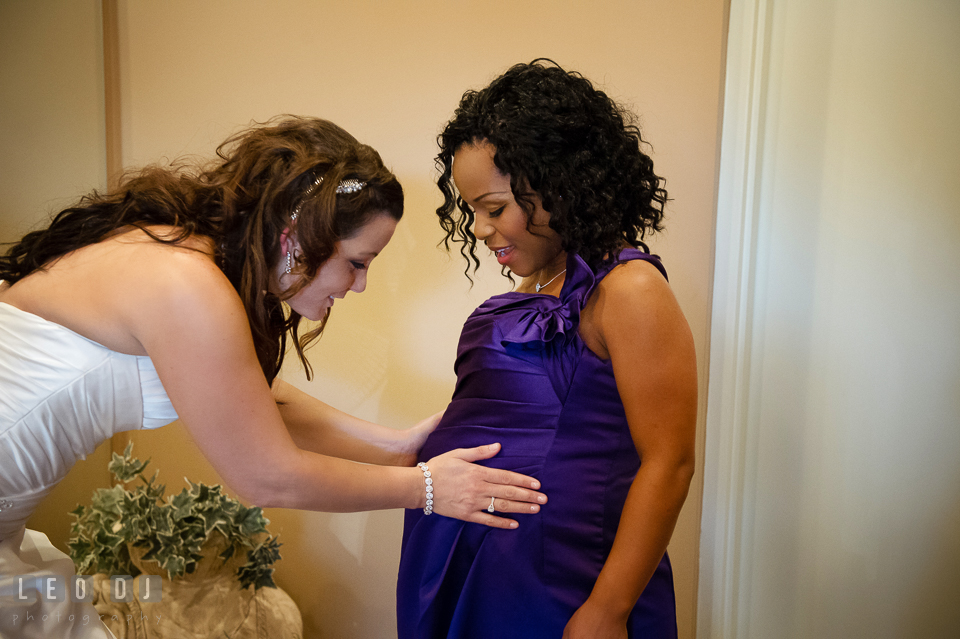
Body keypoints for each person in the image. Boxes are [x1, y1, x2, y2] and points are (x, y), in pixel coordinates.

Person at [0, 116, 546, 638]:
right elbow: (264, 477)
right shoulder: (185, 284)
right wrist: (427, 489)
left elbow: (257, 401)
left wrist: (396, 445)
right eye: (358, 262)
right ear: (295, 235)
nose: (357, 286)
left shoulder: (189, 259)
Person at [397, 61, 698, 638]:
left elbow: (670, 463)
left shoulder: (628, 290)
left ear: (558, 185)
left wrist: (606, 611)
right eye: (472, 212)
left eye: (494, 208)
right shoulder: (538, 286)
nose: (481, 231)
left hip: (564, 582)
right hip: (481, 571)